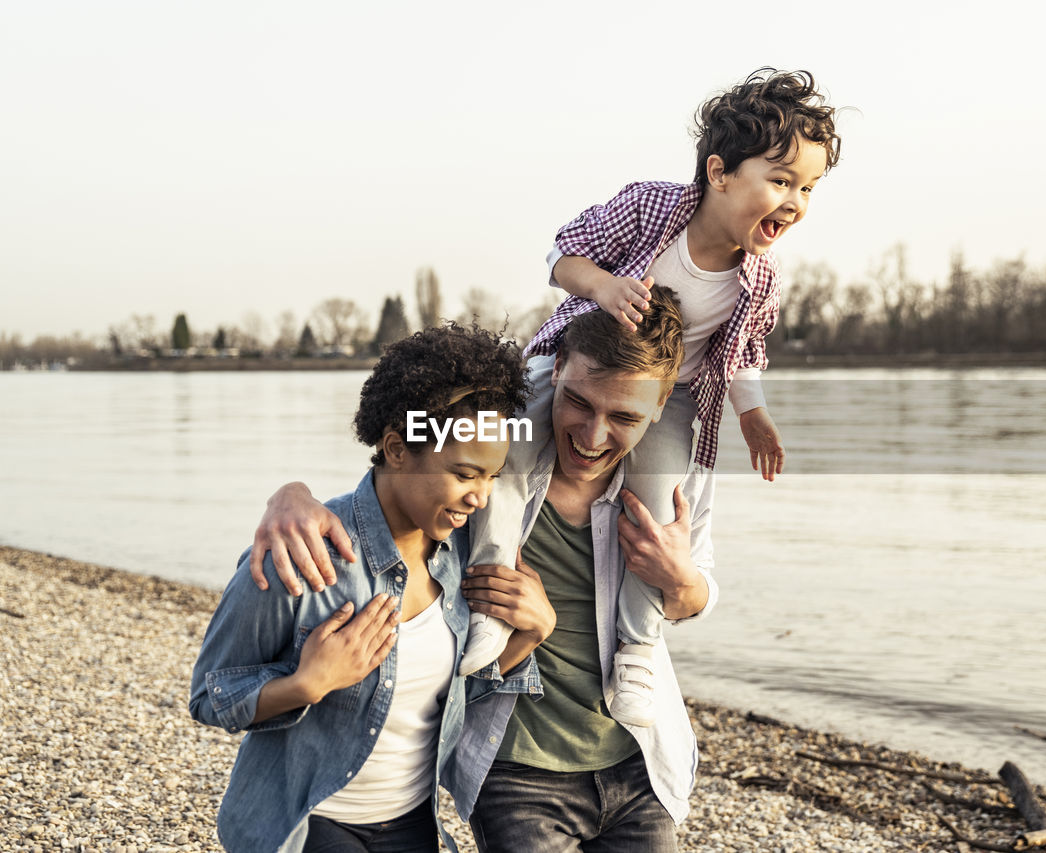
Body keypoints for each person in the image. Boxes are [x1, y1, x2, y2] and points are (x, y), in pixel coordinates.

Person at [254, 287, 717, 851]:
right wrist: (291, 495)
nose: (592, 437)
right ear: (555, 368)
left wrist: (680, 577)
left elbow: (696, 598)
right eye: (577, 402)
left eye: (623, 416)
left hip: (639, 759)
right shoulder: (499, 449)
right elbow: (400, 467)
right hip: (516, 767)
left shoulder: (675, 477)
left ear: (661, 403)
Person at [458, 67, 843, 709]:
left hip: (673, 399)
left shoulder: (763, 278)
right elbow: (564, 254)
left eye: (808, 186)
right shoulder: (650, 208)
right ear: (719, 173)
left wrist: (754, 414)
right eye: (780, 180)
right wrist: (603, 288)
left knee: (659, 515)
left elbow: (745, 352)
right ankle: (493, 599)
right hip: (572, 363)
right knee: (507, 457)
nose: (795, 199)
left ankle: (635, 649)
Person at [188, 323, 531, 853]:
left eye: (492, 477)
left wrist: (530, 636)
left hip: (413, 827)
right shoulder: (302, 554)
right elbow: (210, 695)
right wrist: (307, 684)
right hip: (308, 826)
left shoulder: (464, 556)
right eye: (465, 474)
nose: (480, 498)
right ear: (397, 447)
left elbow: (453, 693)